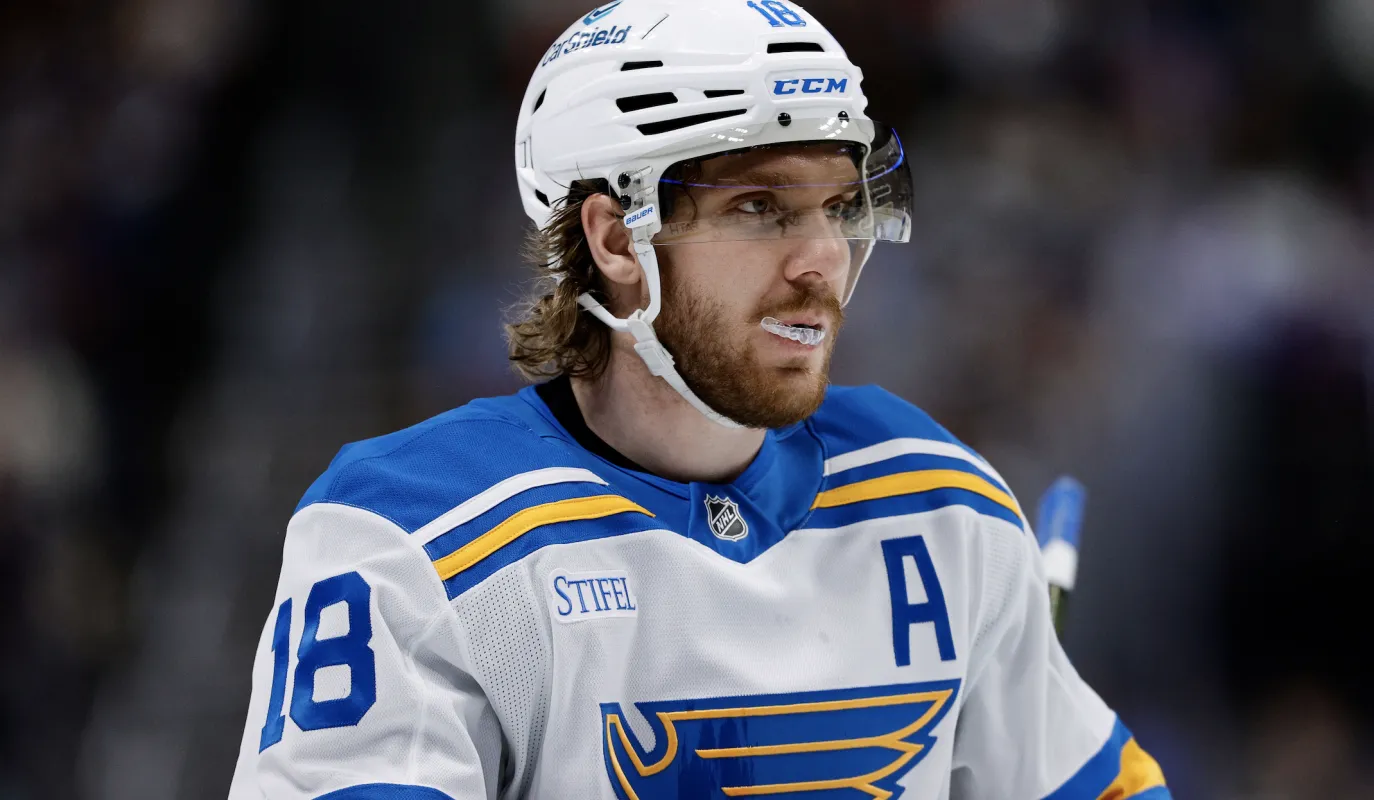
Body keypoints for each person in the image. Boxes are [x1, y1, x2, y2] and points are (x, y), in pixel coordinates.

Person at [228, 1, 1171, 797]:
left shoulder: (939, 501)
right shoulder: (408, 534)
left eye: (839, 208)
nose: (823, 263)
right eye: (760, 209)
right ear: (612, 237)